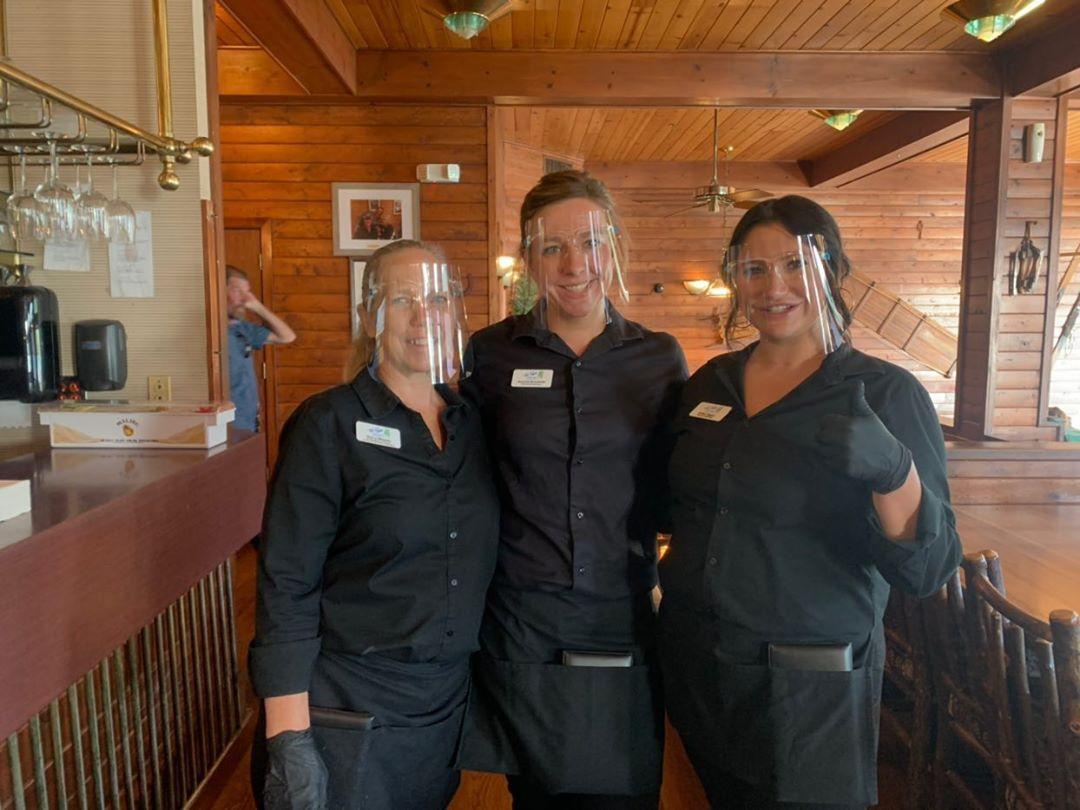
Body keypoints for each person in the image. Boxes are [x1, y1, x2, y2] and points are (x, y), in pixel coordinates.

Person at [657, 195, 962, 809]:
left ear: (832, 270)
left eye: (795, 264)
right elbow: (673, 508)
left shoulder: (884, 393)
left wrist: (894, 472)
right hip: (702, 668)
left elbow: (928, 569)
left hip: (810, 682)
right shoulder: (711, 382)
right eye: (754, 269)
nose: (774, 287)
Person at [458, 170, 687, 808]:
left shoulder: (659, 357)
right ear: (528, 257)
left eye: (589, 242)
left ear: (614, 246)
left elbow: (678, 480)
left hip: (623, 610)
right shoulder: (490, 353)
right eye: (551, 246)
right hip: (523, 616)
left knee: (626, 791)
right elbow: (463, 476)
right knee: (538, 794)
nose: (573, 264)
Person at [248, 240, 500, 809]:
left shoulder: (472, 425)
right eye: (402, 299)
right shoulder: (327, 424)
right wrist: (289, 738)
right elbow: (286, 581)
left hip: (442, 702)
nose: (422, 316)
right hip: (346, 701)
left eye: (437, 299)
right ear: (369, 317)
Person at [226, 266, 295, 431]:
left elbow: (287, 336)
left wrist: (257, 307)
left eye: (247, 292)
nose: (245, 299)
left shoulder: (243, 328)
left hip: (248, 424)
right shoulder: (212, 334)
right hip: (226, 426)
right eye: (237, 291)